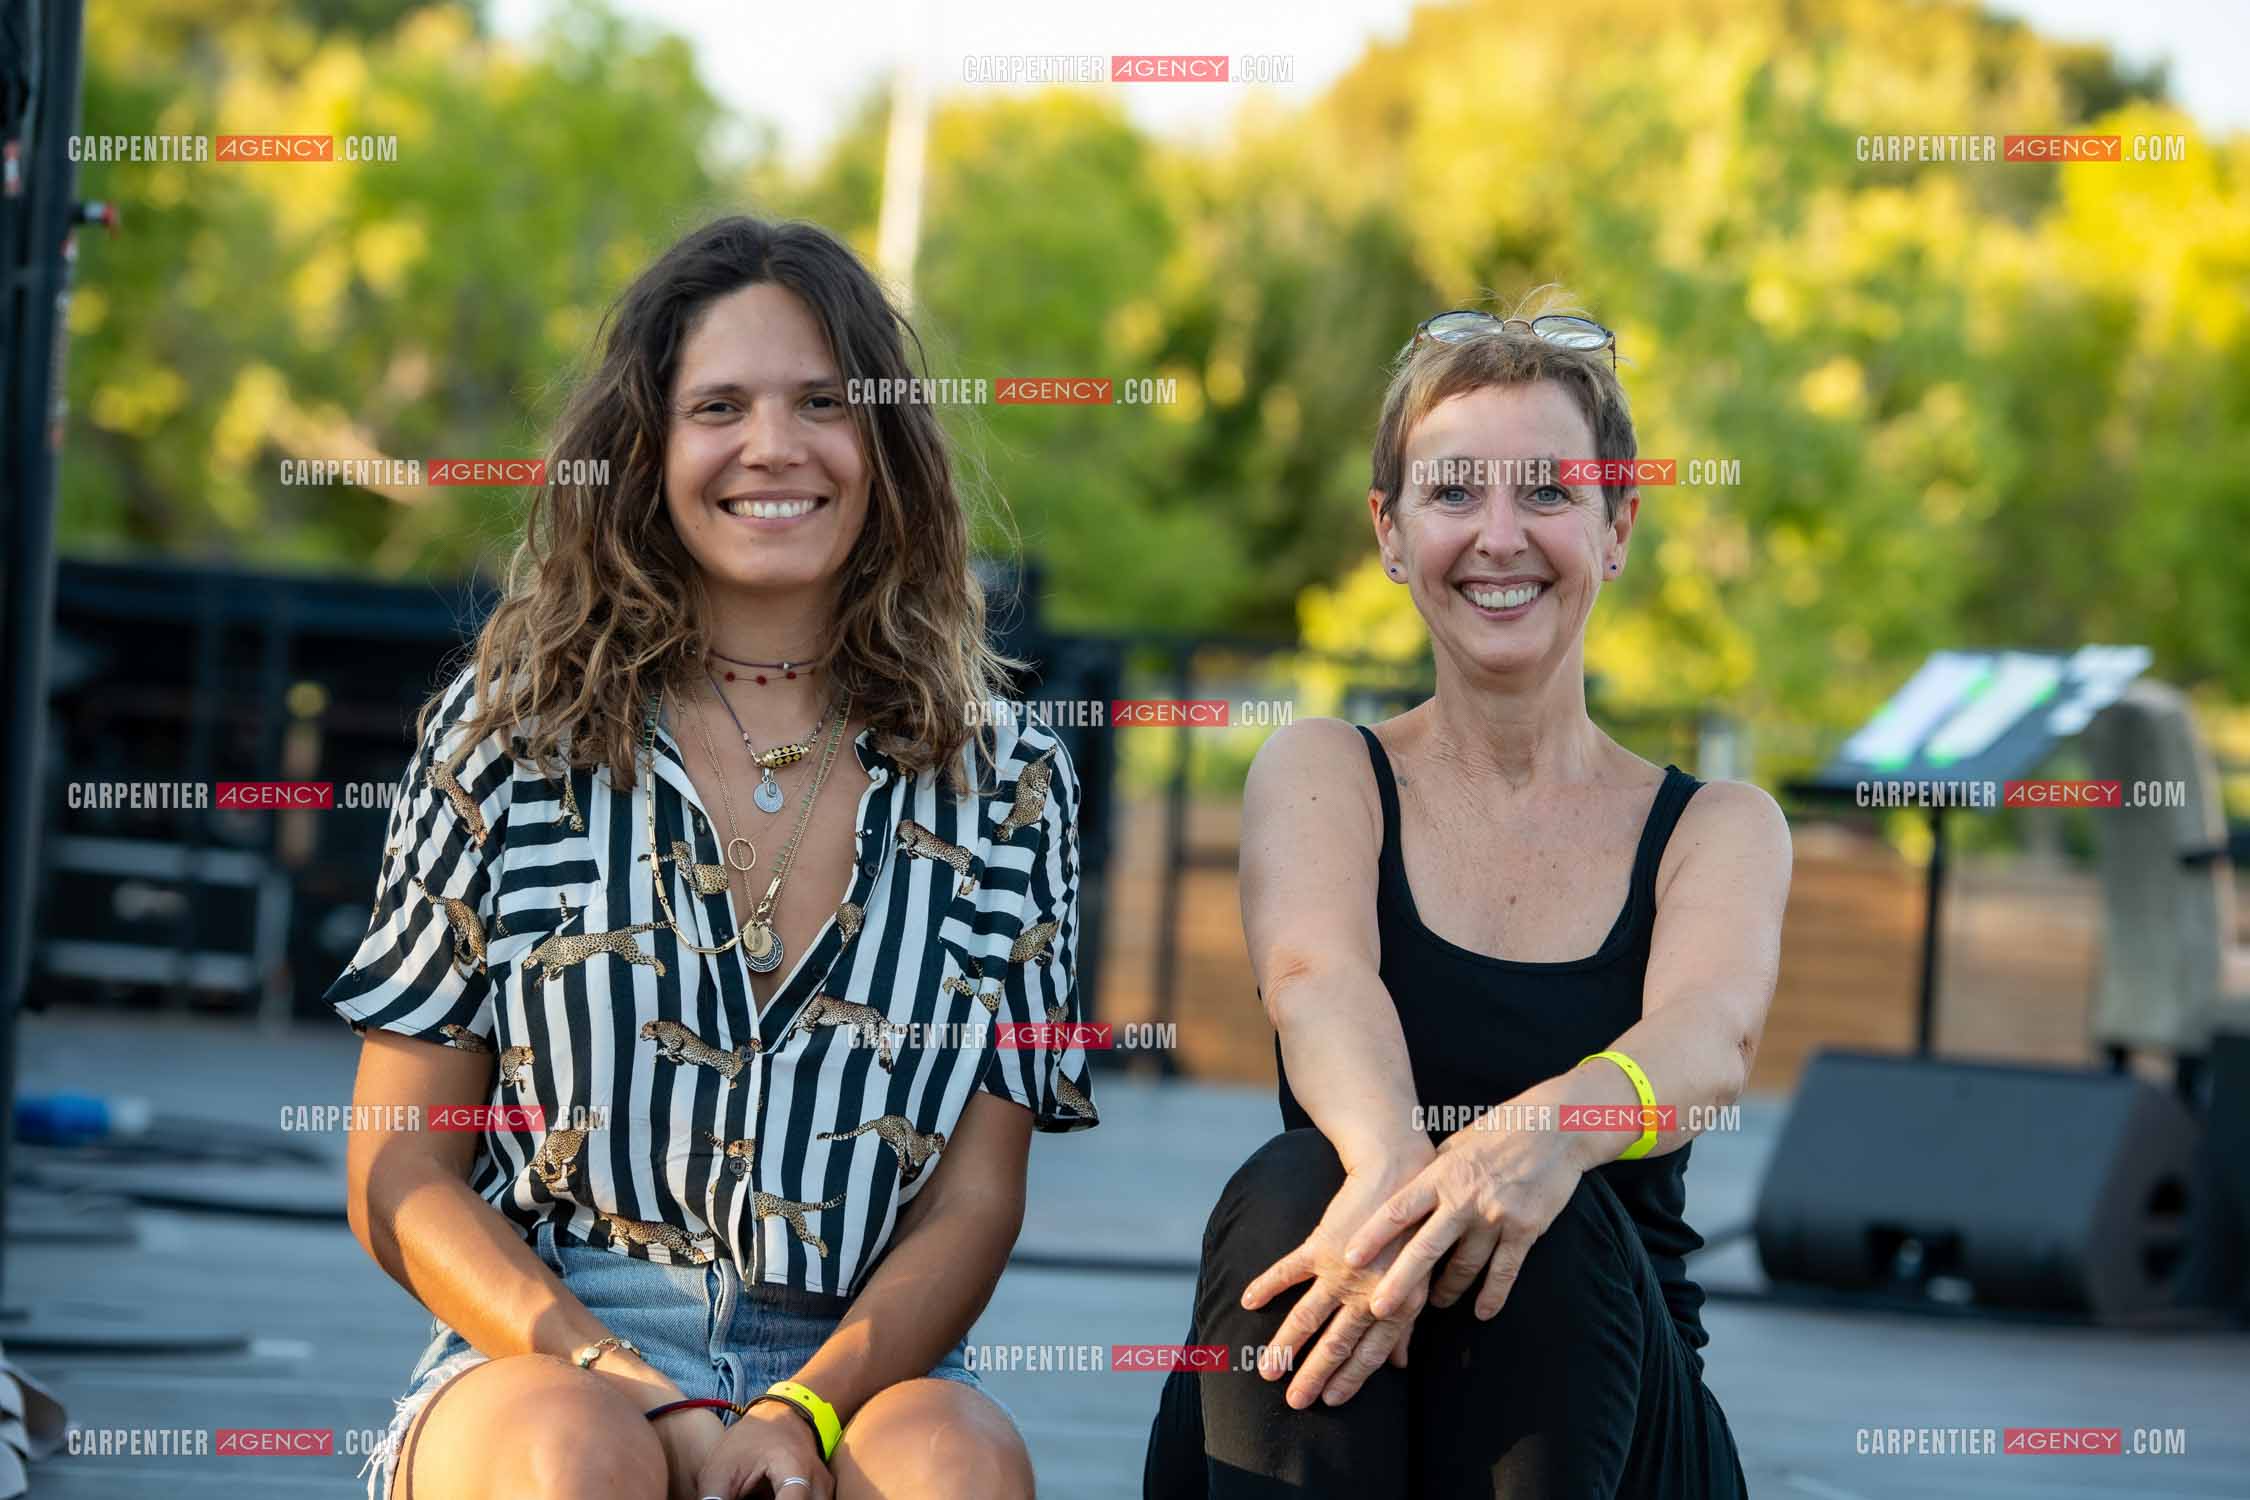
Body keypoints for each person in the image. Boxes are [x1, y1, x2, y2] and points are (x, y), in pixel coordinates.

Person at [332, 215, 1098, 1500]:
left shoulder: (1010, 782)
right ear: (646, 450)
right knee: (575, 1461)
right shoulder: (506, 733)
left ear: (886, 446)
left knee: (956, 1467)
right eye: (719, 406)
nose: (773, 447)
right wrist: (627, 1380)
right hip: (559, 1343)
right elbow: (398, 1165)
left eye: (820, 403)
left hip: (864, 1356)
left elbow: (974, 1201)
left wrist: (803, 1407)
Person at [1144, 294, 1789, 1496]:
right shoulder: (1325, 770)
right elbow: (1312, 976)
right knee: (1299, 1186)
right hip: (1340, 1355)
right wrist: (1400, 1168)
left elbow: (1710, 1040)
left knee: (1547, 1214)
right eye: (1455, 493)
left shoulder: (1719, 827)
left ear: (1617, 526)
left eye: (1548, 491)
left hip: (1604, 1409)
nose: (1501, 535)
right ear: (1391, 533)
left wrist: (1537, 1139)